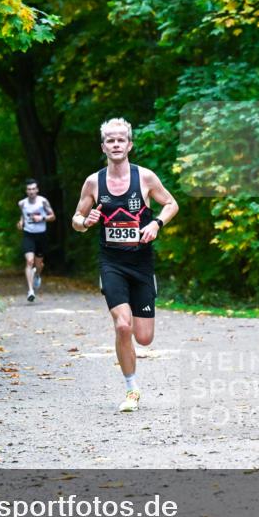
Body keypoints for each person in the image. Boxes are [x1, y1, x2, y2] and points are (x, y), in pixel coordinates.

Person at [71, 118, 179, 412]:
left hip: (141, 264)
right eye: (110, 140)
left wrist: (156, 223)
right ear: (103, 147)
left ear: (129, 145)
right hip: (112, 263)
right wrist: (86, 221)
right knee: (122, 326)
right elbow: (76, 220)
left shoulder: (145, 177)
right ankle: (132, 389)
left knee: (144, 338)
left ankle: (136, 337)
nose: (116, 144)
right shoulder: (94, 182)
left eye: (121, 140)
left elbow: (171, 204)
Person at [17, 179, 55, 302]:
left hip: (41, 236)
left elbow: (53, 216)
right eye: (29, 189)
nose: (31, 191)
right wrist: (21, 222)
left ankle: (37, 275)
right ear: (26, 191)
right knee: (29, 261)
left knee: (39, 265)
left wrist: (41, 218)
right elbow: (23, 215)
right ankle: (30, 291)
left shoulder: (43, 201)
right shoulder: (22, 203)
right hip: (28, 235)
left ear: (37, 190)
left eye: (33, 189)